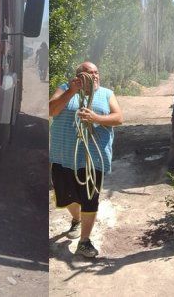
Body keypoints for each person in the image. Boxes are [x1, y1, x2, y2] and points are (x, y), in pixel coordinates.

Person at [49, 61, 123, 258]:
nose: (94, 75)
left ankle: (84, 241)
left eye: (96, 72)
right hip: (63, 155)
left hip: (93, 159)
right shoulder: (65, 89)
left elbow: (118, 118)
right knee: (65, 196)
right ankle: (76, 218)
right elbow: (51, 111)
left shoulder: (106, 94)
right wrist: (71, 91)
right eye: (89, 72)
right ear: (79, 76)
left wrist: (96, 118)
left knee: (90, 199)